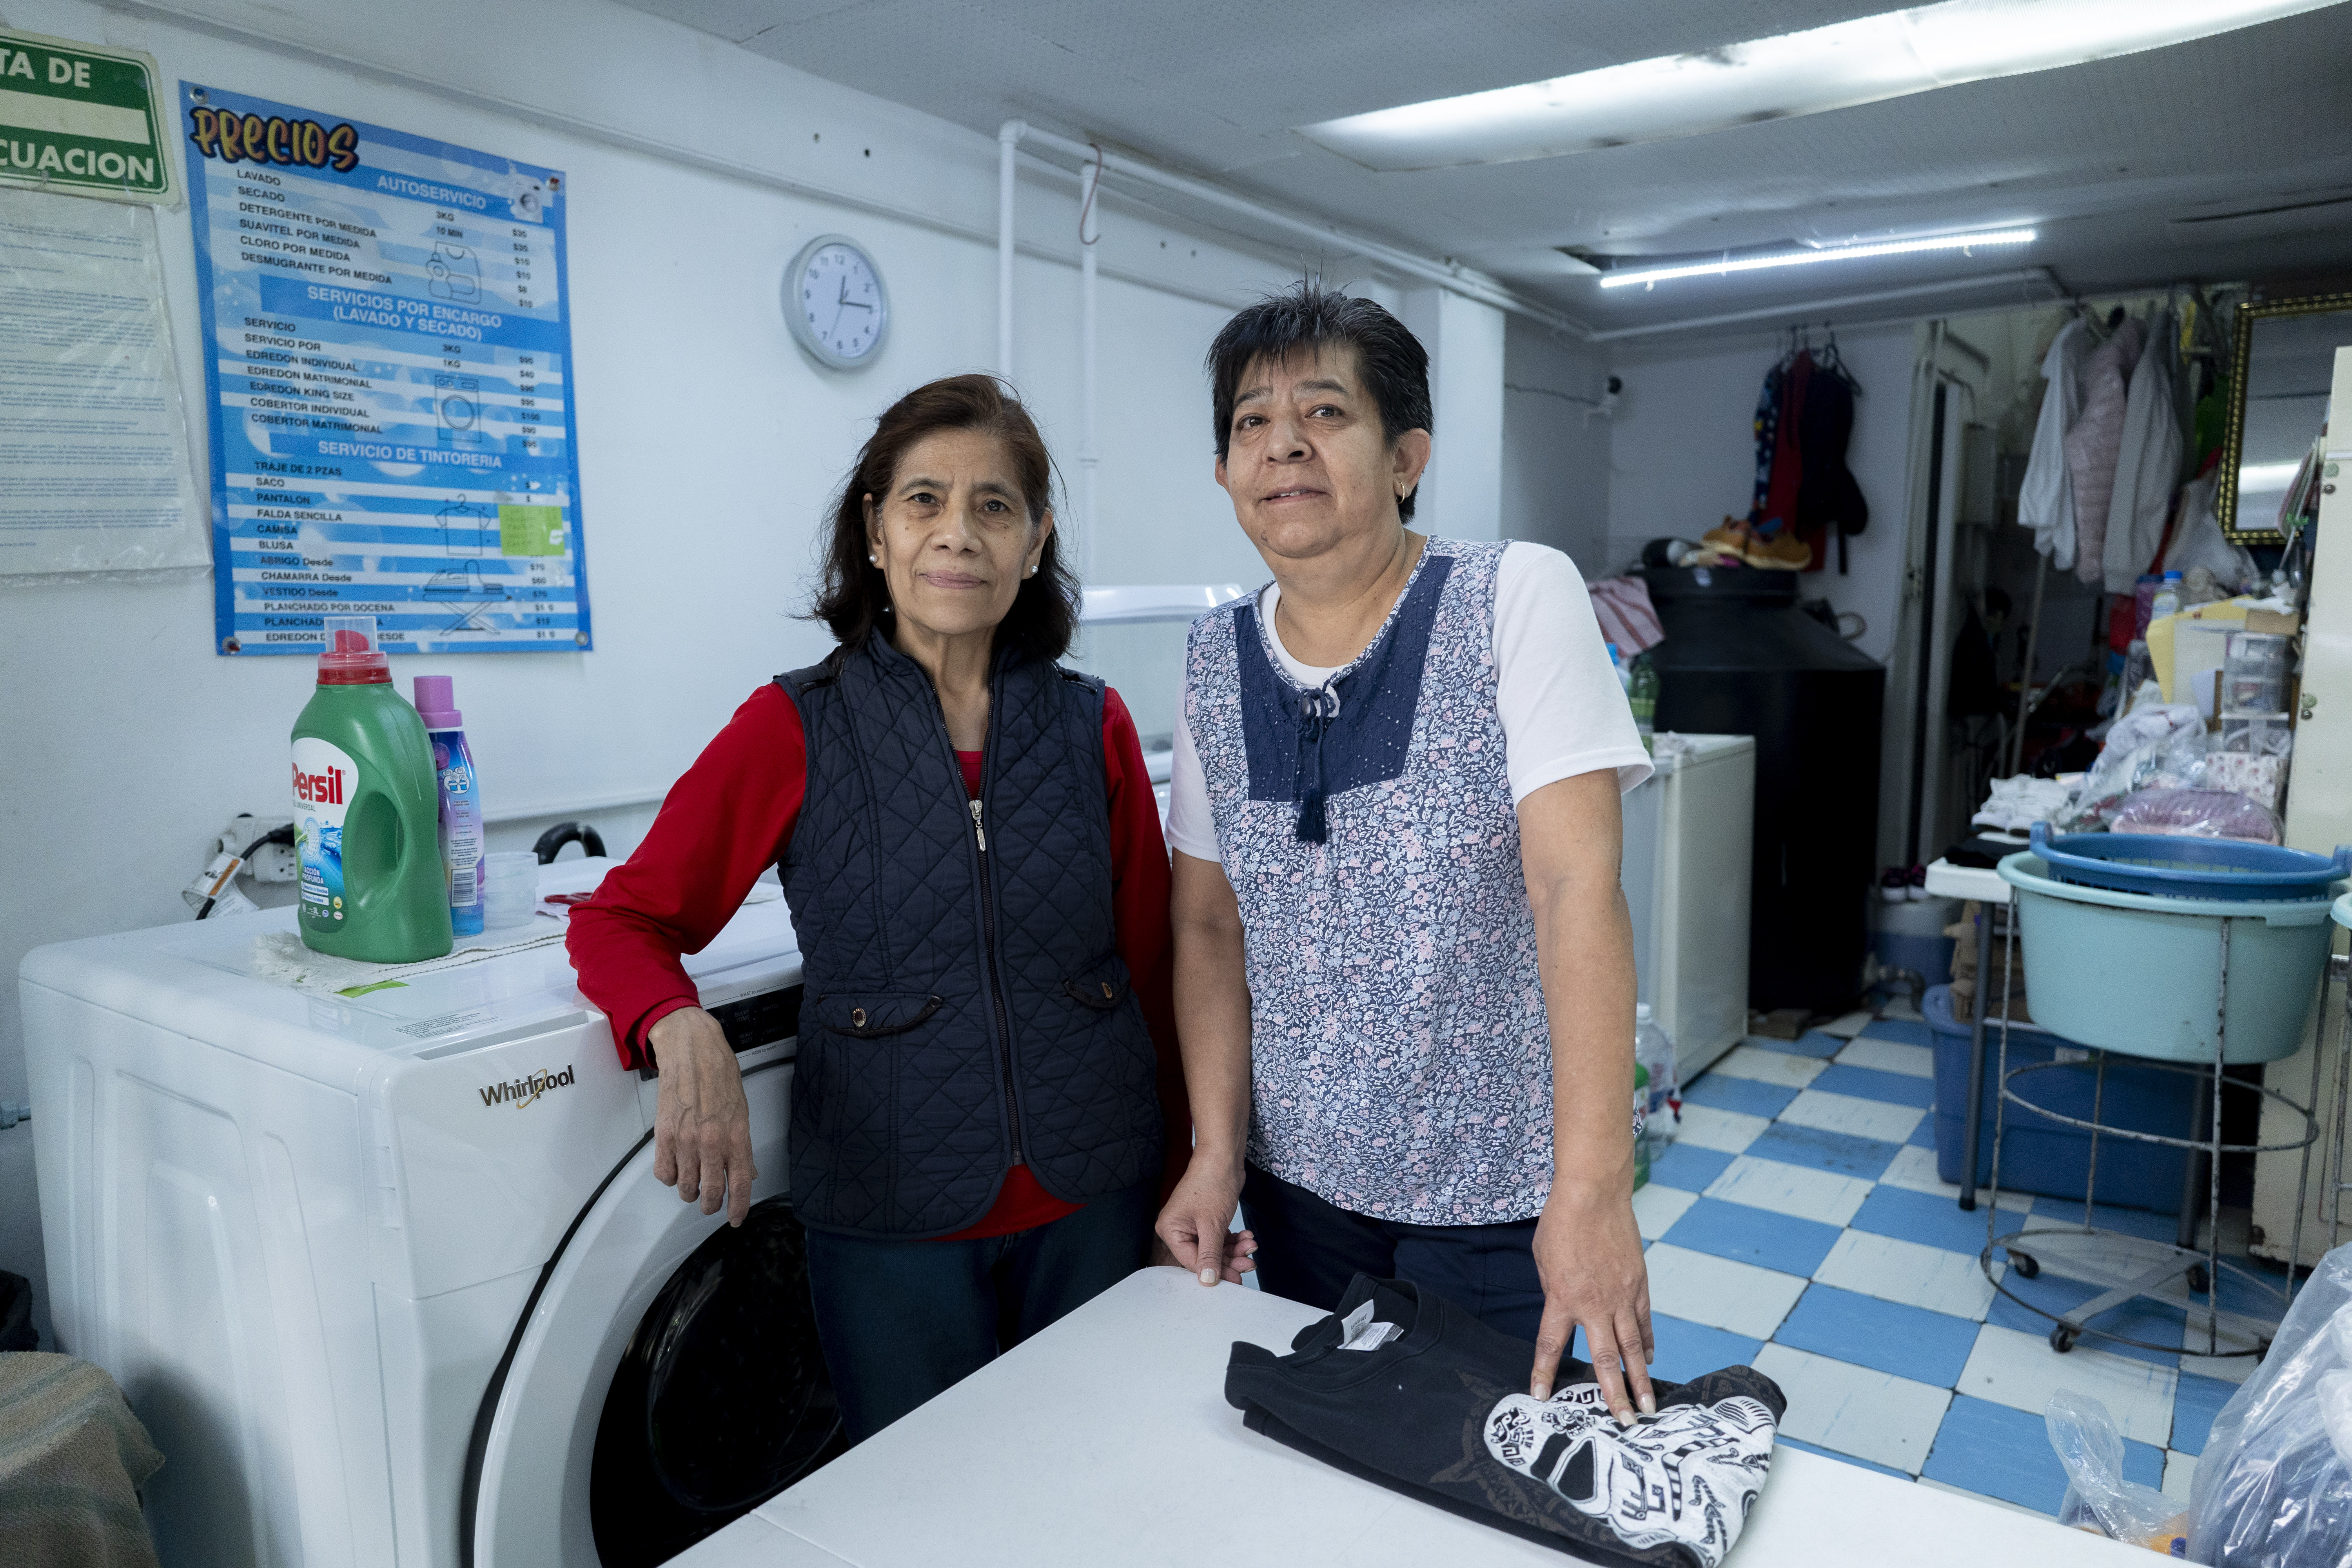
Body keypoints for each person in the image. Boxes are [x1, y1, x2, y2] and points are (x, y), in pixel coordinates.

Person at [568, 374, 1191, 1443]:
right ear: (874, 530)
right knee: (927, 1515)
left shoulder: (1096, 724)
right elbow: (622, 919)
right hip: (894, 1226)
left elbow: (1157, 965)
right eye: (923, 501)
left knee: (1107, 1486)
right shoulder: (794, 725)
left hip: (1095, 1198)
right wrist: (677, 1026)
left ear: (1035, 542)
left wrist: (1190, 1174)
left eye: (995, 506)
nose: (959, 534)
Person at [1153, 284, 1660, 1423]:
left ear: (1406, 456)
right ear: (1228, 473)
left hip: (1500, 1196)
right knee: (1327, 1474)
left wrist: (1592, 1194)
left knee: (1494, 1485)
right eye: (1250, 424)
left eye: (1325, 413)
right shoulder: (1212, 653)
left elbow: (1577, 887)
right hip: (1301, 1195)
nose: (1282, 443)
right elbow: (1208, 922)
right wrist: (1215, 1152)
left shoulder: (1510, 597)